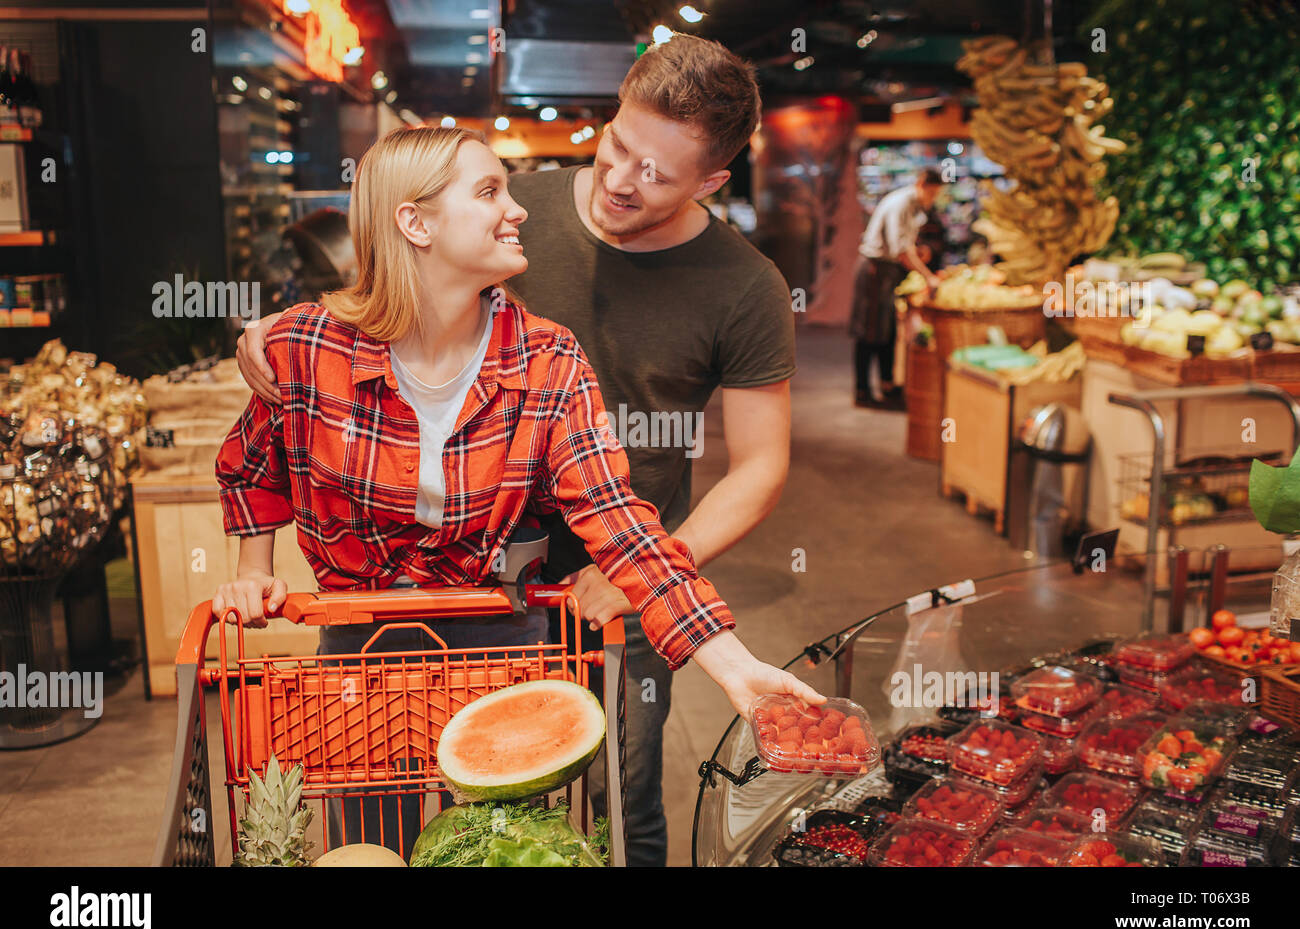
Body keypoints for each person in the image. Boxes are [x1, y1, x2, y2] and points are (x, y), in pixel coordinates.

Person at [235, 35, 797, 867]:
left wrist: (734, 663)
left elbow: (688, 493)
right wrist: (277, 342)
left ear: (711, 181)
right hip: (407, 605)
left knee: (604, 793)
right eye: (617, 147)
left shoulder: (583, 345)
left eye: (656, 174)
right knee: (373, 820)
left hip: (597, 584)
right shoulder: (496, 215)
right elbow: (285, 419)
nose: (617, 181)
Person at [852, 168, 945, 408]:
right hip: (876, 270)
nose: (932, 199)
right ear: (922, 183)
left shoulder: (914, 206)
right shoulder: (901, 203)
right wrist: (928, 277)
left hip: (888, 271)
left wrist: (920, 254)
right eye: (932, 193)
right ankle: (862, 390)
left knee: (887, 331)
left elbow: (906, 246)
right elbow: (901, 251)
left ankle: (887, 384)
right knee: (869, 332)